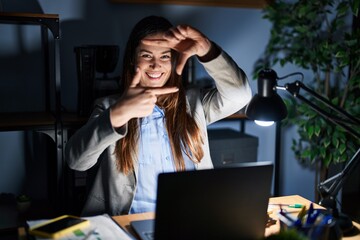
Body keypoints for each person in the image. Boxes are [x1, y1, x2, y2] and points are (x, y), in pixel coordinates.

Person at [65, 15, 252, 217]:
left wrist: (207, 49)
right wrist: (119, 113)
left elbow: (240, 95)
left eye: (164, 56)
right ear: (132, 59)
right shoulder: (108, 107)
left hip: (191, 219)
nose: (156, 65)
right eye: (146, 55)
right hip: (129, 224)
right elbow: (76, 161)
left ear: (174, 60)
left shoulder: (193, 102)